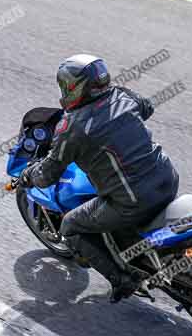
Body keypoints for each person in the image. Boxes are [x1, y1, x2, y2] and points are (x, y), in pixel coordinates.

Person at [18, 54, 179, 302]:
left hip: (132, 201)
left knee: (71, 225)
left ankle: (123, 280)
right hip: (167, 177)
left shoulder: (72, 127)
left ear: (75, 88)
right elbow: (147, 107)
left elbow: (48, 174)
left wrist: (28, 175)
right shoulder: (122, 96)